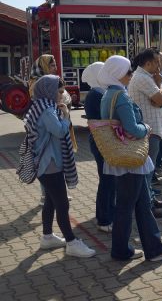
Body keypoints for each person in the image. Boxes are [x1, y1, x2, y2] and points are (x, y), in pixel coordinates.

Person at [98, 55, 162, 261]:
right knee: (127, 206)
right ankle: (126, 250)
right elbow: (132, 127)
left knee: (140, 204)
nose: (130, 75)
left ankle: (153, 248)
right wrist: (147, 128)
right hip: (131, 156)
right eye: (127, 72)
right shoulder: (121, 96)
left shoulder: (108, 94)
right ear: (118, 74)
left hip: (122, 156)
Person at [25, 75, 95, 257]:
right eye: (59, 91)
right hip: (50, 164)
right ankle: (72, 242)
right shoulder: (47, 111)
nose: (62, 95)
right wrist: (65, 116)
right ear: (49, 91)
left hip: (44, 163)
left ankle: (47, 237)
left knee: (50, 201)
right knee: (62, 204)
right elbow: (59, 130)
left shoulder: (39, 105)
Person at [29, 54, 74, 206]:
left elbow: (65, 97)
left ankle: (52, 195)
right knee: (48, 165)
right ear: (43, 66)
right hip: (48, 128)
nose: (55, 67)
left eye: (55, 65)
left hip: (57, 120)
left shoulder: (54, 81)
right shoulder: (39, 83)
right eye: (51, 65)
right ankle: (48, 195)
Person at [128, 49, 162, 217]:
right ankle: (146, 207)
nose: (160, 66)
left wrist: (158, 96)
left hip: (152, 128)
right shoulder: (143, 78)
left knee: (148, 170)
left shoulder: (145, 77)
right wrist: (158, 85)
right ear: (148, 63)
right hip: (148, 131)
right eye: (157, 62)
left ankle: (149, 198)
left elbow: (158, 101)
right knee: (147, 171)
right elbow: (160, 100)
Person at [82, 62, 115, 233]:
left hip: (104, 141)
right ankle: (103, 218)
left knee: (110, 179)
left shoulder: (99, 91)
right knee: (107, 180)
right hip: (102, 141)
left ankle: (108, 213)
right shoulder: (96, 93)